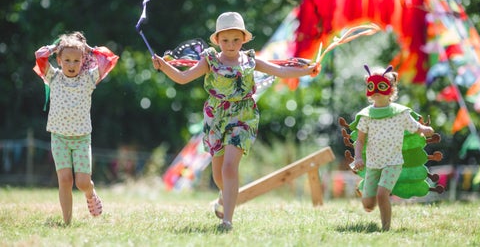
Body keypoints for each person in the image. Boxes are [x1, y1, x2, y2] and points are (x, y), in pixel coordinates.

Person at [152, 12, 319, 231]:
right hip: (216, 118)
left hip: (243, 116)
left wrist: (307, 70)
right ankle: (225, 197)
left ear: (244, 39)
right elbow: (183, 78)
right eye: (225, 40)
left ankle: (227, 221)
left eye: (236, 40)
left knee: (230, 168)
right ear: (218, 40)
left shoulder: (250, 60)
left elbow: (280, 70)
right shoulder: (210, 60)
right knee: (219, 174)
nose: (231, 45)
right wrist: (164, 66)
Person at [33, 31, 119, 225]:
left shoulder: (88, 79)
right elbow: (39, 56)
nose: (71, 65)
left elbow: (109, 58)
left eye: (76, 60)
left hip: (81, 139)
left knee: (81, 182)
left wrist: (89, 49)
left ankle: (90, 193)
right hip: (59, 138)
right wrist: (56, 47)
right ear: (60, 60)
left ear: (83, 61)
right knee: (64, 180)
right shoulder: (53, 77)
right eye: (67, 60)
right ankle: (67, 222)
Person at [351, 65, 434, 231]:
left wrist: (424, 130)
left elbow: (414, 126)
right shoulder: (366, 115)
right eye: (371, 86)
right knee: (368, 204)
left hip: (393, 163)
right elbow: (360, 140)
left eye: (381, 86)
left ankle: (386, 229)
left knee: (382, 194)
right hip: (373, 164)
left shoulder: (400, 113)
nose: (376, 91)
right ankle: (370, 201)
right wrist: (358, 157)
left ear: (390, 89)